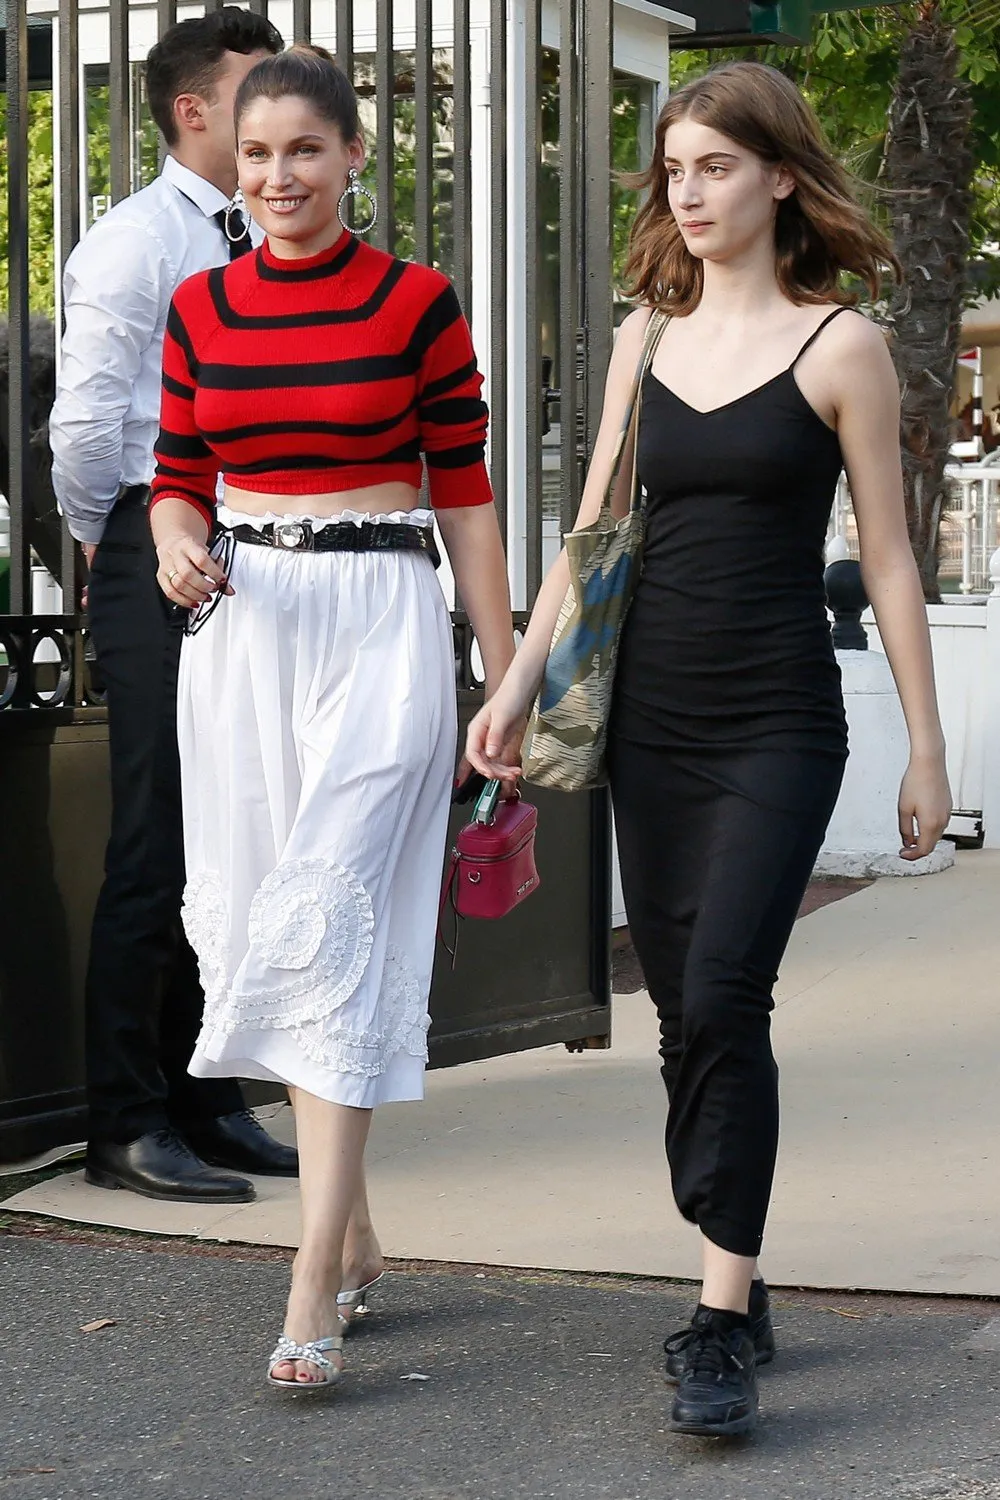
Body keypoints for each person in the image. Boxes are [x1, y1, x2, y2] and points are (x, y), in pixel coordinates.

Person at [466, 60, 952, 1439]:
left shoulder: (838, 344)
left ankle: (719, 1316)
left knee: (729, 992)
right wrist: (514, 685)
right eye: (674, 169)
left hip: (779, 722)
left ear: (780, 178)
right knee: (687, 1016)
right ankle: (734, 1235)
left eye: (715, 167)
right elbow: (591, 534)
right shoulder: (643, 339)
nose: (688, 193)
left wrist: (926, 751)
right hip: (653, 725)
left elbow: (894, 560)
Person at [148, 46, 517, 1391]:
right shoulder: (201, 306)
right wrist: (176, 540)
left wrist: (504, 670)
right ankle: (351, 1223)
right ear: (231, 163)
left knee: (333, 913)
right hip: (245, 628)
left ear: (355, 155)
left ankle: (309, 1270)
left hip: (379, 621)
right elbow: (178, 477)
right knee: (259, 917)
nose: (280, 176)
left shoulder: (420, 303)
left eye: (305, 149)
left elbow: (466, 498)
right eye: (256, 154)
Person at [50, 9, 295, 1204]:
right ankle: (125, 1120)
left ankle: (208, 1098)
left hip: (259, 552)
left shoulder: (272, 235)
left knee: (234, 836)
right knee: (154, 841)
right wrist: (120, 536)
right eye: (258, 85)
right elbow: (89, 429)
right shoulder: (135, 244)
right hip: (159, 544)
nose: (283, 101)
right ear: (194, 109)